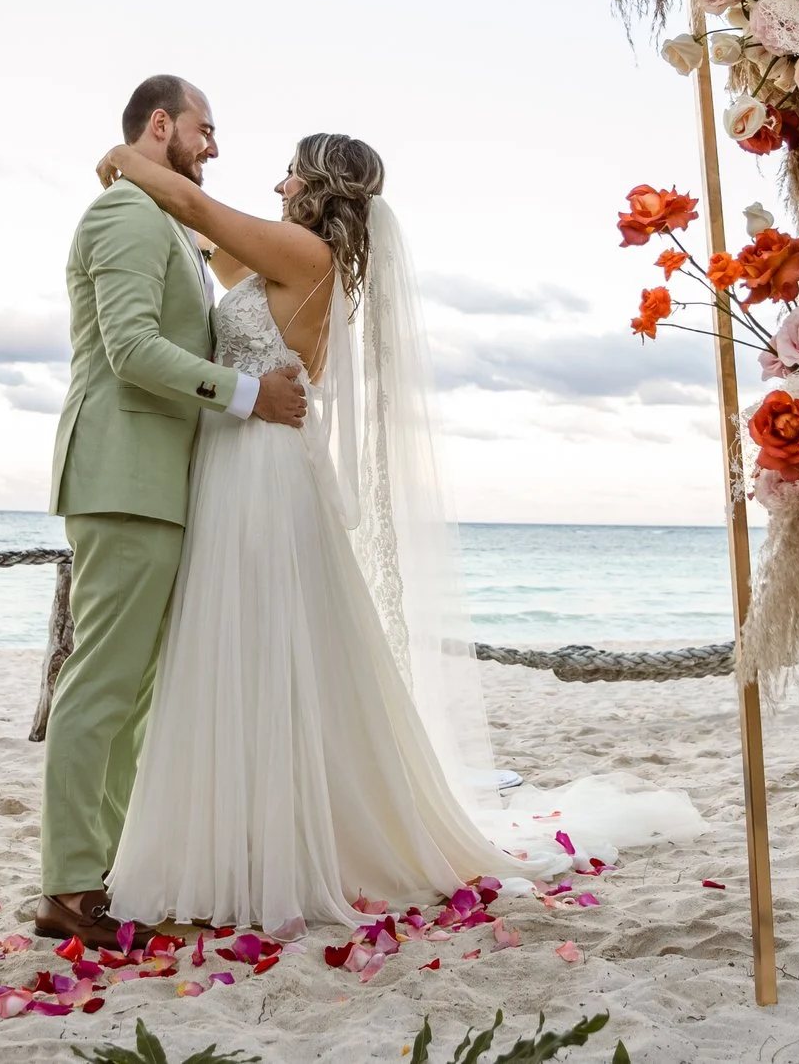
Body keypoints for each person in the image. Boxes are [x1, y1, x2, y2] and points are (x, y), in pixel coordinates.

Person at [92, 129, 566, 937]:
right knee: (236, 650)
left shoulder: (302, 251)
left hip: (258, 472)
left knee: (250, 650)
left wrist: (124, 156)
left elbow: (200, 206)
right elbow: (205, 239)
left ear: (311, 184)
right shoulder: (291, 261)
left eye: (288, 169)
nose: (274, 181)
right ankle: (238, 839)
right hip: (242, 457)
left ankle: (263, 853)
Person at [35, 76, 309, 946]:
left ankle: (104, 871)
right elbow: (130, 348)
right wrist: (246, 396)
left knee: (133, 691)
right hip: (123, 475)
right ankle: (69, 887)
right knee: (100, 685)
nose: (215, 145)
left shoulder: (166, 223)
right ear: (163, 125)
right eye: (206, 128)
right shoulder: (122, 216)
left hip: (159, 483)